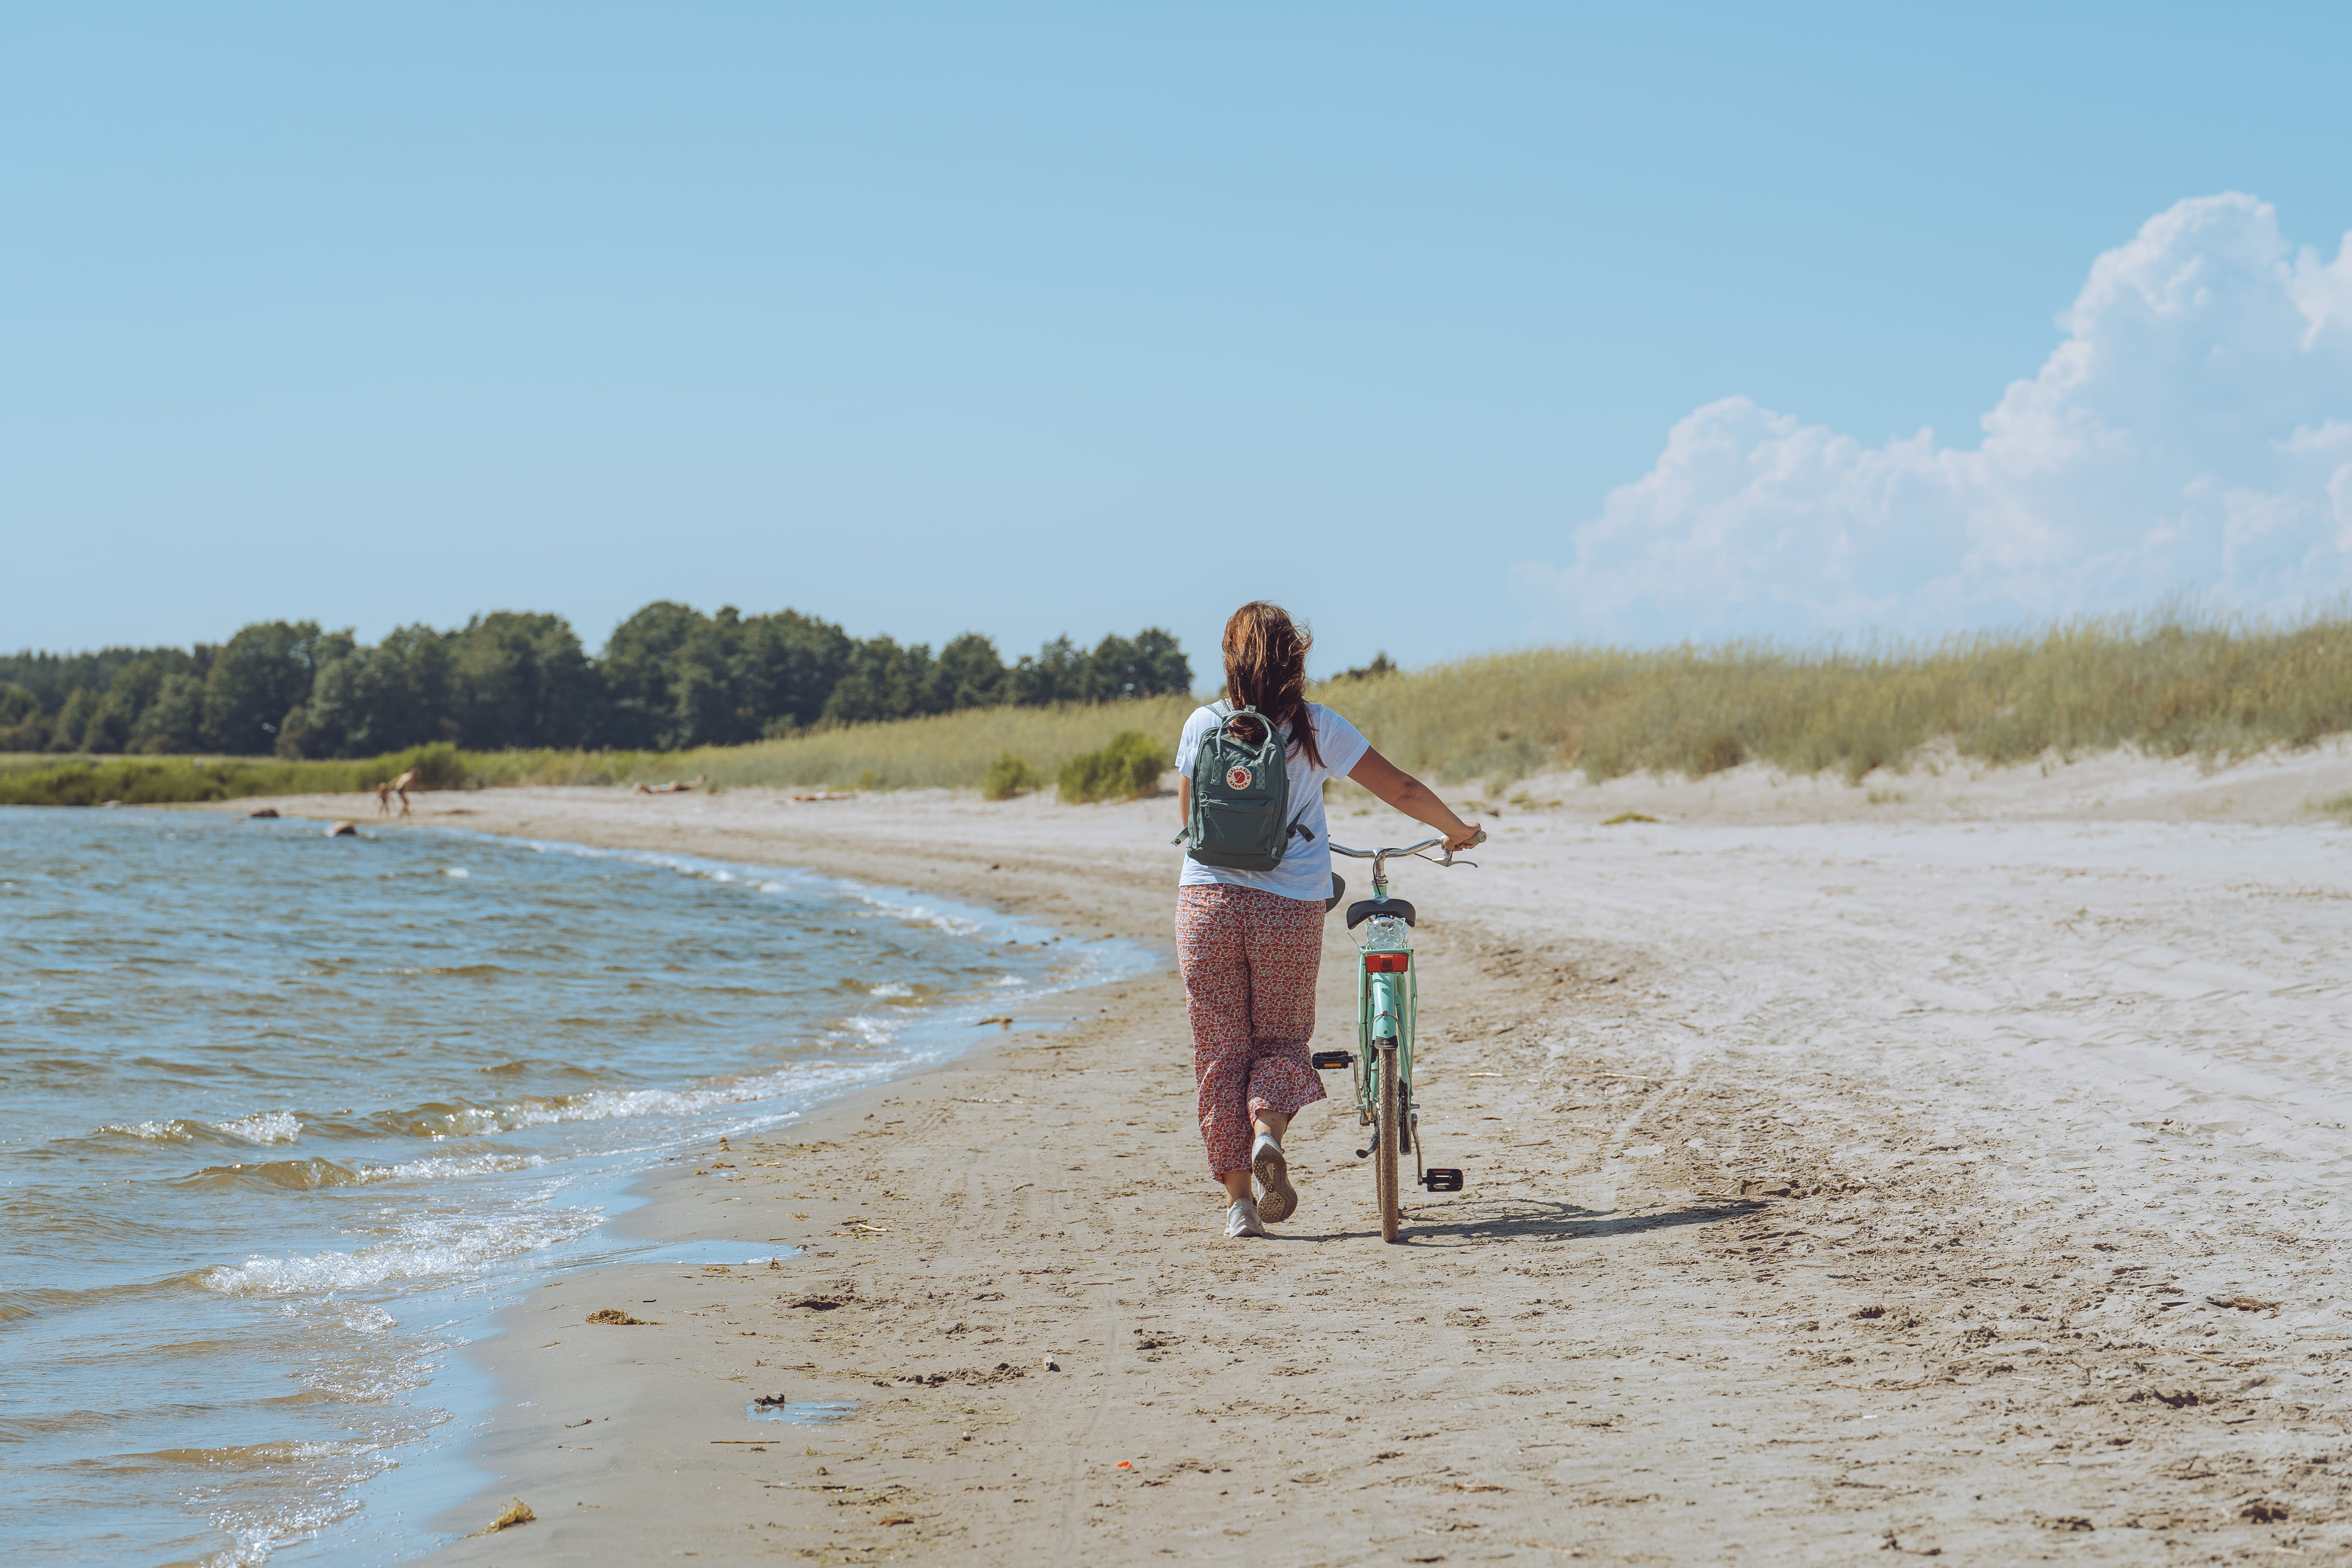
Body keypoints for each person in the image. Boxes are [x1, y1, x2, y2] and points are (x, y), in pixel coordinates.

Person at [1174, 601, 1482, 1240]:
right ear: (1296, 660)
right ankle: (1266, 1132)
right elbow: (1398, 789)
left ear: (1229, 660)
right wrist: (1457, 831)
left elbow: (1190, 828)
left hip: (1206, 906)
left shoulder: (1203, 725)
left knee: (1218, 1054)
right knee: (1282, 1041)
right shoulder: (1315, 728)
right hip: (1288, 908)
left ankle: (1239, 1208)